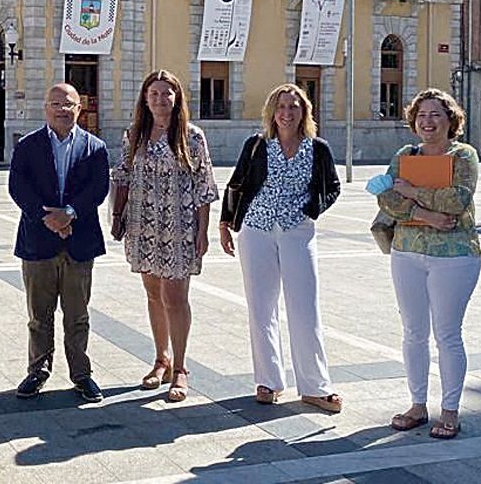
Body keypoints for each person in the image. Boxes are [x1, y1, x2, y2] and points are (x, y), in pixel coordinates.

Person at [218, 83, 343, 413]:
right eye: (282, 106)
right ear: (272, 112)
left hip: (297, 232)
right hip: (255, 229)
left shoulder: (317, 148)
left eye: (294, 107)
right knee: (261, 308)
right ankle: (268, 380)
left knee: (305, 308)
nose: (287, 113)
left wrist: (312, 210)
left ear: (305, 112)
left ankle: (315, 387)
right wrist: (226, 223)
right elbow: (237, 182)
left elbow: (332, 187)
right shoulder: (258, 145)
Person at [378, 88, 481, 440]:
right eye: (421, 115)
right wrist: (426, 214)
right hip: (406, 252)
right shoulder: (405, 155)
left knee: (448, 334)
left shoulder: (463, 154)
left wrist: (413, 191)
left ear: (450, 119)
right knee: (413, 332)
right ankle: (418, 404)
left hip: (454, 256)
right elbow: (387, 197)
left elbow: (458, 198)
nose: (428, 121)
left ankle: (450, 411)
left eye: (436, 114)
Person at [110, 69, 216, 402]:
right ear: (145, 98)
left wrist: (203, 231)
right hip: (143, 226)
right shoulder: (135, 135)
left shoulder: (192, 136)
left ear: (177, 98)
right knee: (153, 294)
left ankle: (181, 368)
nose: (160, 99)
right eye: (153, 94)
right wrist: (117, 215)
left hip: (180, 227)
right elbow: (122, 176)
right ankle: (161, 359)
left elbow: (204, 186)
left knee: (175, 297)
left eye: (166, 93)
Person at [8, 83, 110, 402]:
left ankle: (81, 374)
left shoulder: (95, 147)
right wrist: (49, 218)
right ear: (45, 108)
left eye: (69, 105)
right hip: (38, 241)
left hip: (80, 242)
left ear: (80, 109)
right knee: (39, 315)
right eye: (56, 104)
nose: (62, 110)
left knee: (78, 314)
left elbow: (98, 189)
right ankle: (38, 370)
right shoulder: (27, 146)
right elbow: (18, 188)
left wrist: (70, 213)